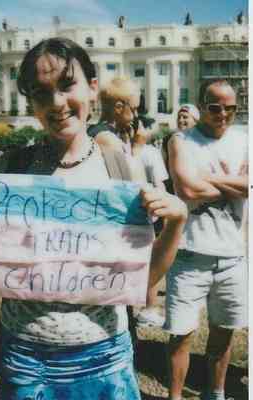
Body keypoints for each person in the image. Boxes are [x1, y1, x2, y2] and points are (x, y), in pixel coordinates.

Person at [0, 37, 187, 400]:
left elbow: (143, 281)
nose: (57, 103)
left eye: (66, 85)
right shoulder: (11, 170)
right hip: (25, 358)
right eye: (41, 93)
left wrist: (177, 223)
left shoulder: (122, 170)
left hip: (105, 355)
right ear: (31, 103)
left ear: (92, 89)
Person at [165, 80, 248, 400]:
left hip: (232, 256)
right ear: (201, 105)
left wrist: (206, 178)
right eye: (215, 107)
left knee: (223, 334)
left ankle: (215, 393)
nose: (223, 114)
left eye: (231, 108)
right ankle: (175, 396)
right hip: (188, 254)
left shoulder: (245, 140)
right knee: (181, 335)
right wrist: (235, 182)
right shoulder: (181, 140)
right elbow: (186, 190)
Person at [89, 76, 169, 328]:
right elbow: (131, 184)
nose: (136, 116)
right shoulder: (106, 138)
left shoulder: (107, 134)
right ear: (118, 107)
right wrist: (136, 149)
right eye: (134, 108)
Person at [162, 104, 200, 194]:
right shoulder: (168, 140)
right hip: (174, 189)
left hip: (197, 189)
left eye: (185, 117)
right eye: (179, 117)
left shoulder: (202, 141)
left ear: (195, 121)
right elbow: (163, 168)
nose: (180, 120)